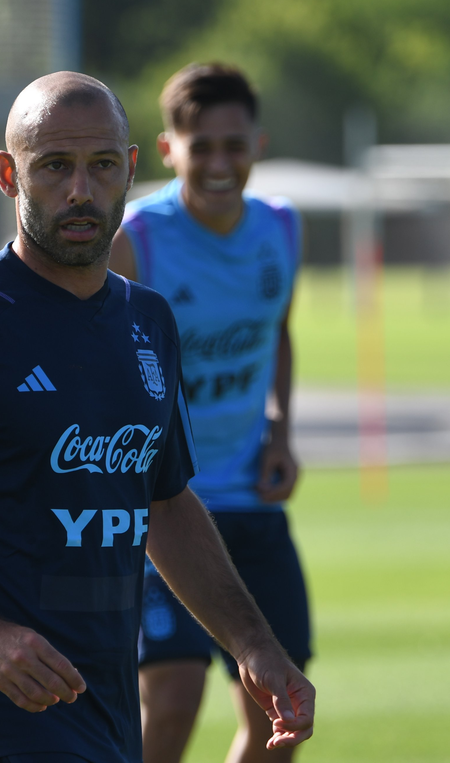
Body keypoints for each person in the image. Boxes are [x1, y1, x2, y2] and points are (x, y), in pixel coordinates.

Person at [0, 71, 314, 763]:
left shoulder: (148, 319)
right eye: (54, 166)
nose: (79, 191)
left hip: (108, 717)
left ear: (129, 168)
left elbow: (169, 503)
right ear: (8, 174)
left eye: (100, 167)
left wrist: (253, 645)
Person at [108, 63, 310, 763]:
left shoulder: (282, 228)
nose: (221, 163)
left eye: (236, 145)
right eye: (204, 147)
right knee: (170, 702)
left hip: (253, 503)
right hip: (166, 507)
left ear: (259, 141)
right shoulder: (136, 239)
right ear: (170, 150)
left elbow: (276, 332)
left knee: (280, 714)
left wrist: (280, 433)